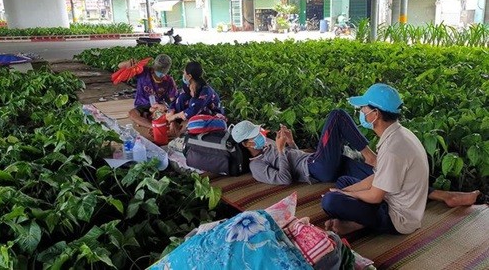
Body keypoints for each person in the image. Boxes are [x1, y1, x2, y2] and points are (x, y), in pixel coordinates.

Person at [231, 83, 483, 235]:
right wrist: (282, 149)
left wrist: (291, 143)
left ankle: (438, 194)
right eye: (256, 135)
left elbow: (374, 193)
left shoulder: (394, 146)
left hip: (323, 163)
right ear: (247, 144)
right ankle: (371, 159)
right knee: (339, 117)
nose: (261, 135)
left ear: (376, 114)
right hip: (315, 167)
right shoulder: (257, 166)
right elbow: (285, 178)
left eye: (364, 109)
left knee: (343, 188)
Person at [118, 54, 178, 133]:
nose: (160, 76)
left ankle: (152, 123)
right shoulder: (143, 72)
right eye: (159, 72)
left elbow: (173, 100)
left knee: (165, 116)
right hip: (142, 105)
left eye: (163, 74)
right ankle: (154, 127)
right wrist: (128, 63)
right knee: (132, 114)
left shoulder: (169, 81)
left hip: (157, 107)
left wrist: (169, 112)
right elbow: (120, 66)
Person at [166, 61, 224, 137]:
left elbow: (193, 110)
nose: (183, 75)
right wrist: (171, 114)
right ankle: (178, 124)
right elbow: (177, 98)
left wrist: (176, 116)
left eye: (184, 73)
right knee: (182, 97)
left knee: (192, 119)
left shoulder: (206, 91)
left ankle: (184, 128)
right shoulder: (188, 84)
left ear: (189, 76)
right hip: (192, 111)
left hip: (212, 115)